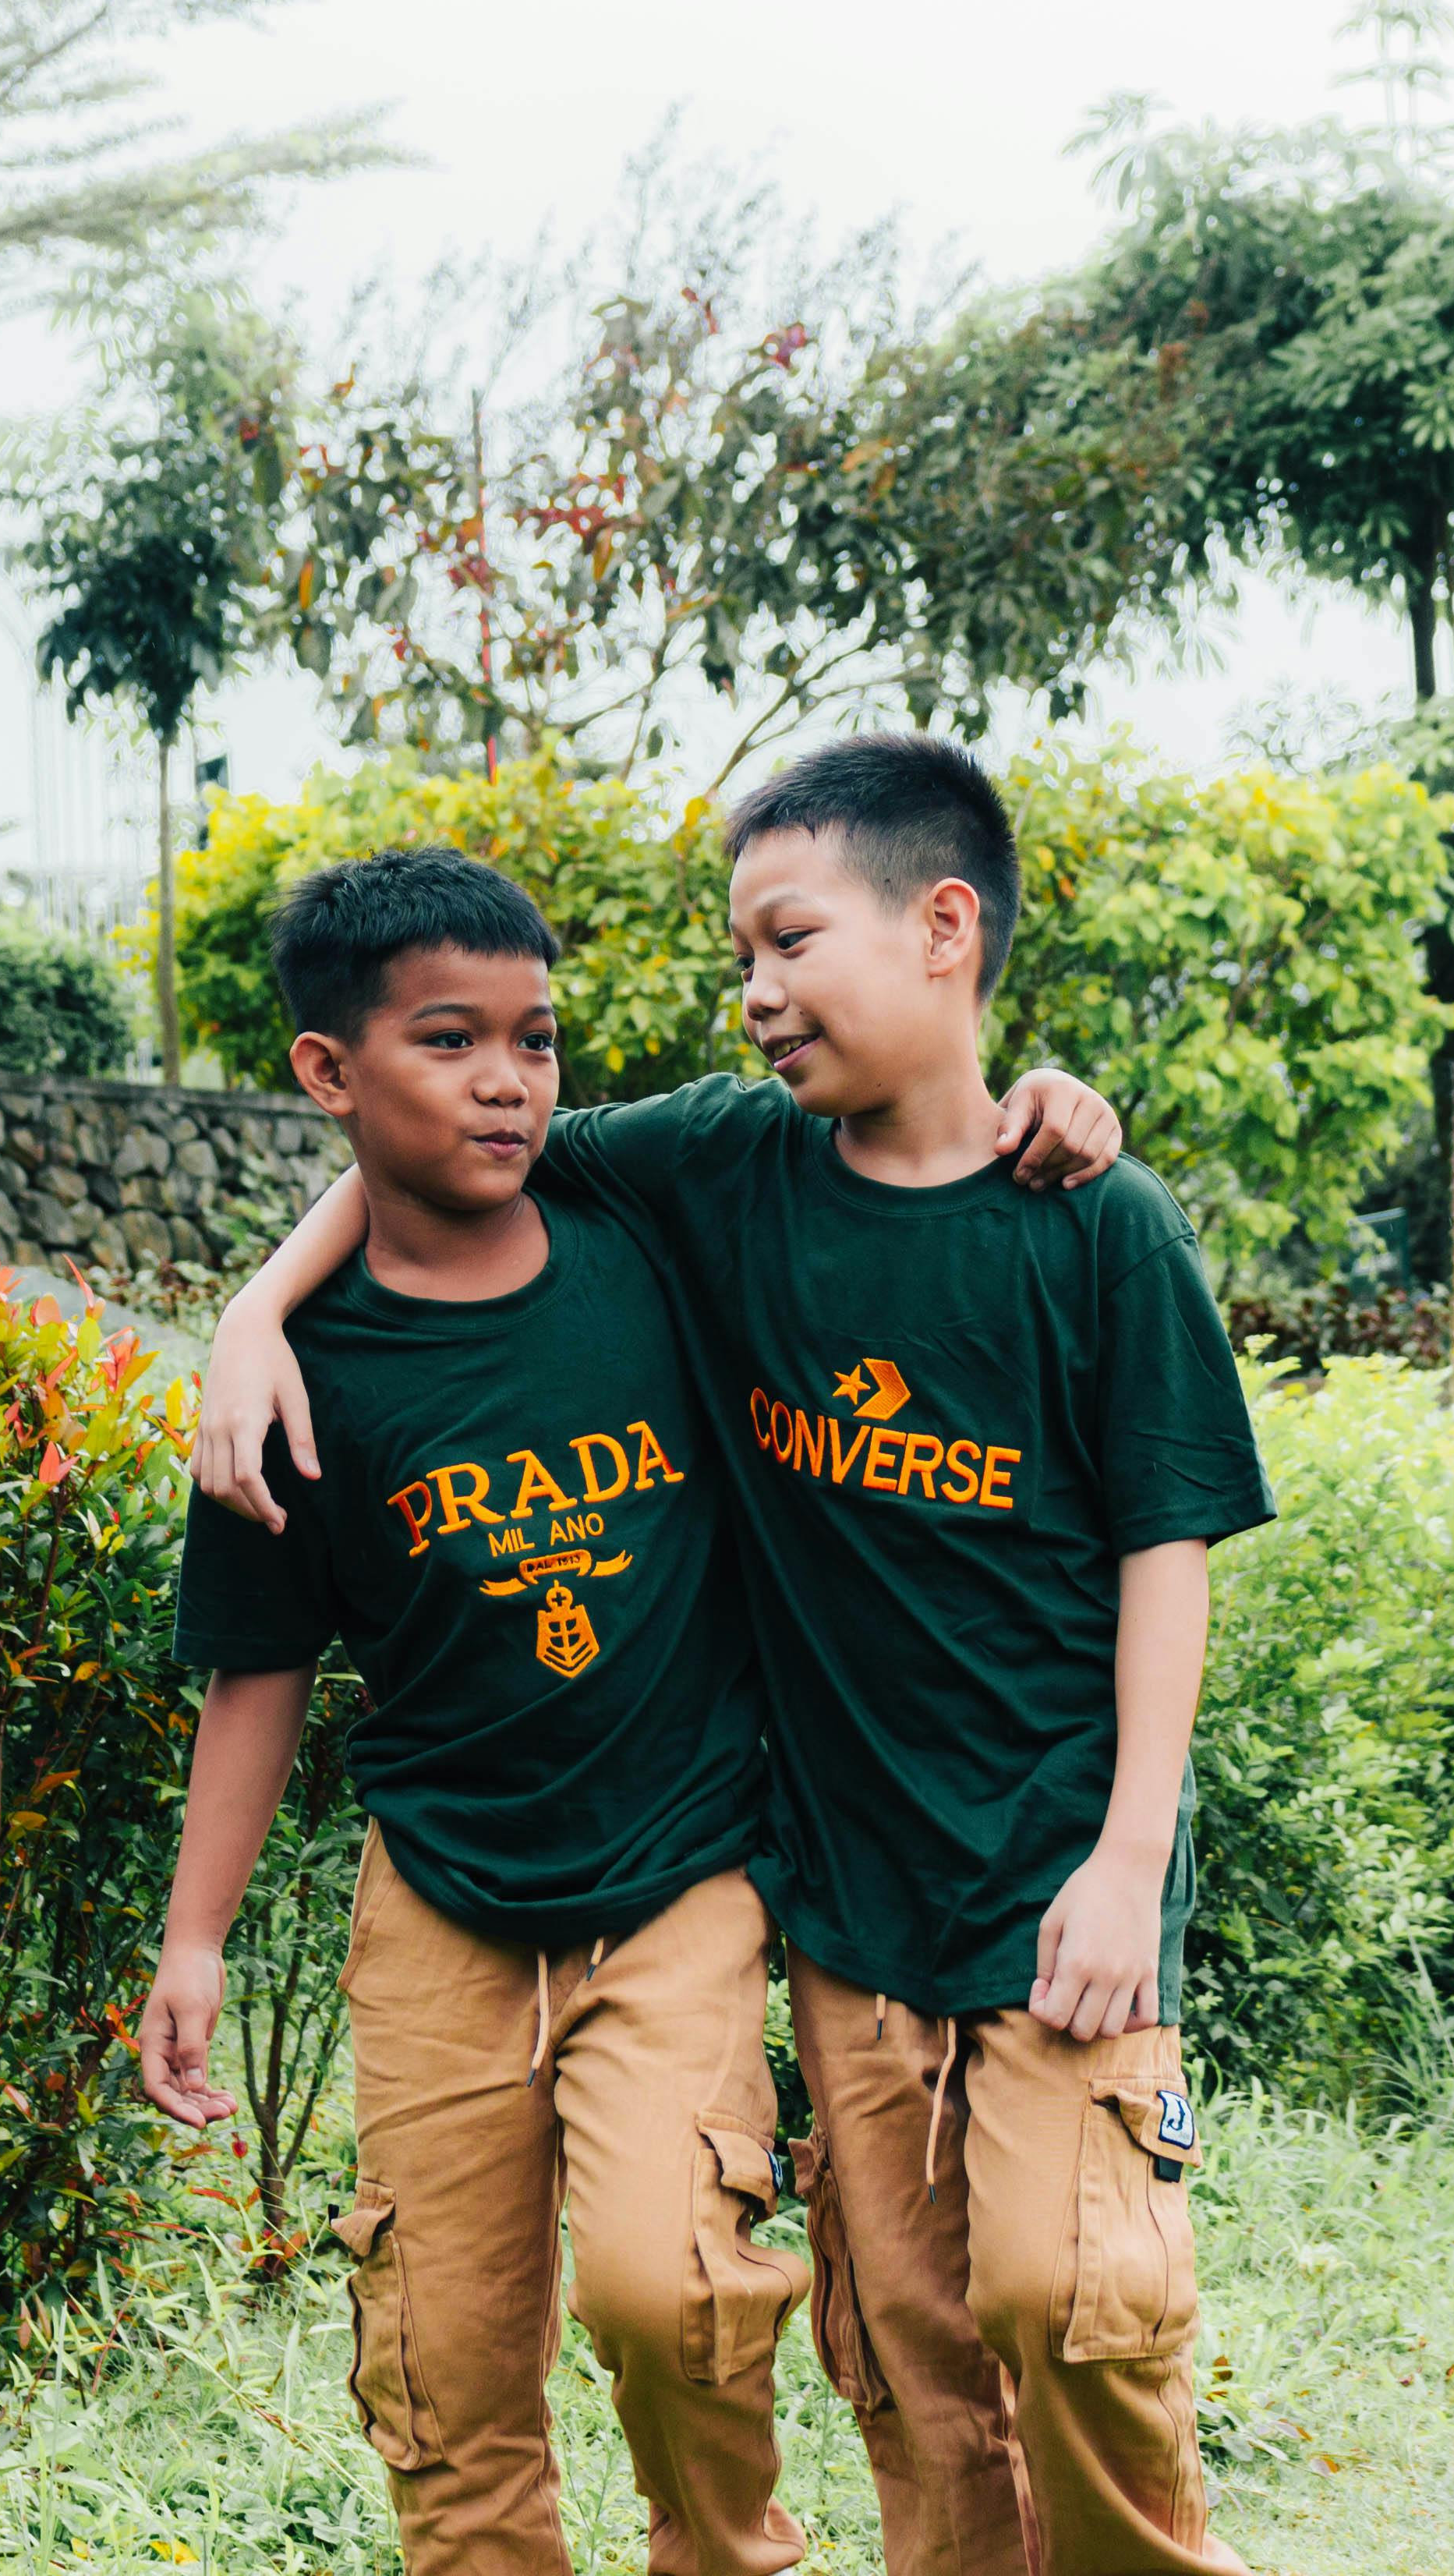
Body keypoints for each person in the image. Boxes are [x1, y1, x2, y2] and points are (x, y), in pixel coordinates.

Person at [199, 740, 1270, 2576]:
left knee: (1071, 2300)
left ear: (947, 928)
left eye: (790, 941)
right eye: (739, 958)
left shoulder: (1090, 1219)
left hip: (1054, 1878)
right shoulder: (722, 1168)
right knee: (917, 2356)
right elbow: (427, 1150)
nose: (756, 993)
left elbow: (1162, 1549)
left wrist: (1130, 1858)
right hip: (847, 1905)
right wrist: (253, 1307)